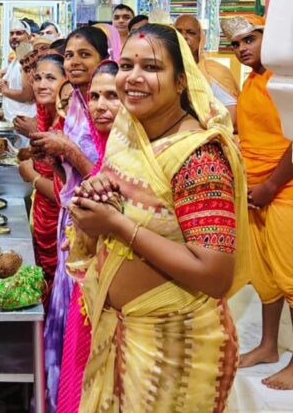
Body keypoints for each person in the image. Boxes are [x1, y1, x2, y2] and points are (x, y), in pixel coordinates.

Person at [72, 23, 247, 412]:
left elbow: (215, 274)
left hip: (175, 349)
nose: (133, 77)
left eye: (151, 67)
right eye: (126, 65)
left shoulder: (199, 157)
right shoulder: (129, 138)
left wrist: (117, 225)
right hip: (120, 334)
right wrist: (96, 198)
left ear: (182, 81)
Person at [32, 25, 110, 411]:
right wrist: (55, 162)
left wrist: (69, 151)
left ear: (104, 59)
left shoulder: (108, 108)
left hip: (99, 234)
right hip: (71, 226)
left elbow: (111, 184)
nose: (75, 62)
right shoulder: (79, 103)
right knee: (66, 318)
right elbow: (73, 180)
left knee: (86, 324)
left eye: (85, 55)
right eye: (70, 55)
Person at [223, 14, 293, 390]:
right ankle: (268, 346)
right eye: (235, 44)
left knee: (291, 278)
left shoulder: (284, 81)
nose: (241, 49)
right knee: (266, 278)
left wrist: (271, 185)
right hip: (256, 193)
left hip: (284, 193)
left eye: (250, 40)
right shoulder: (252, 81)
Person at [56, 60, 121, 413]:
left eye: (112, 95)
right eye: (94, 96)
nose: (99, 105)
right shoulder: (108, 151)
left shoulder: (132, 159)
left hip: (121, 295)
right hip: (89, 284)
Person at [18, 54, 67, 287]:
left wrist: (33, 177)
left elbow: (66, 191)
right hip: (42, 218)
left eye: (50, 78)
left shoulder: (65, 126)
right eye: (37, 78)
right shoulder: (48, 118)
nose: (41, 84)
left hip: (60, 226)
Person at [175, 15, 240, 126]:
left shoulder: (214, 71)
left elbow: (231, 117)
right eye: (178, 32)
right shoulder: (166, 71)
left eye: (191, 33)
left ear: (200, 39)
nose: (184, 37)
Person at [0, 20, 37, 122]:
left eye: (19, 33)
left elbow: (28, 95)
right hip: (14, 120)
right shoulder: (19, 56)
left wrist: (4, 90)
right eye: (11, 34)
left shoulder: (27, 59)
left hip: (23, 120)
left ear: (29, 37)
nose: (14, 37)